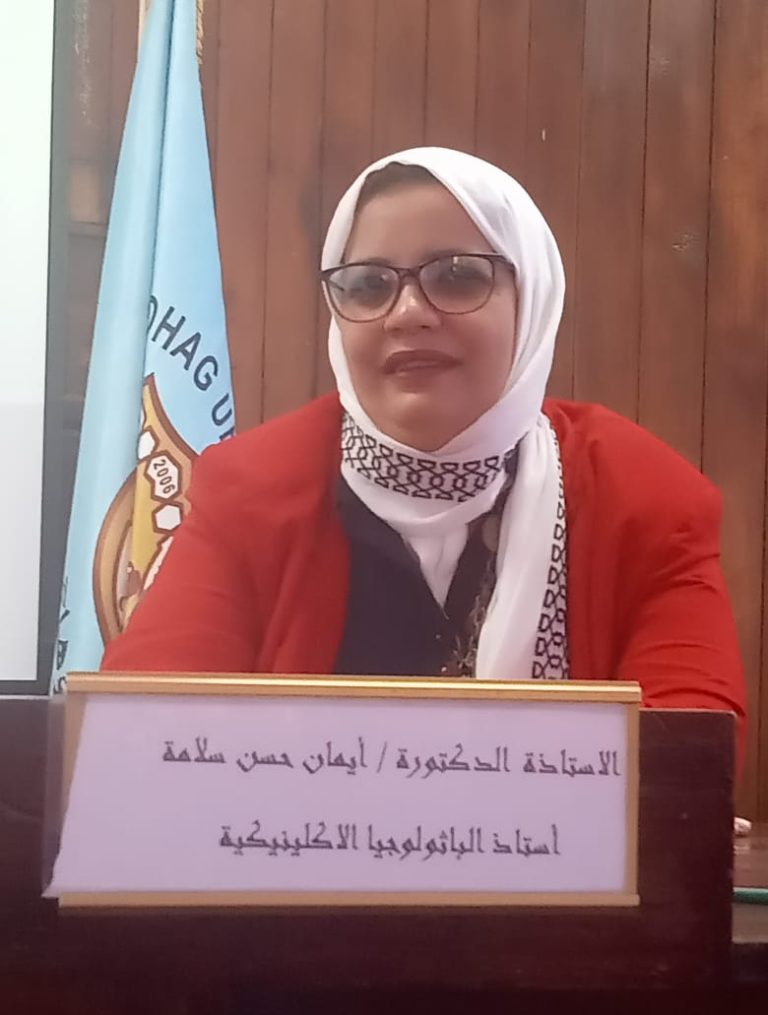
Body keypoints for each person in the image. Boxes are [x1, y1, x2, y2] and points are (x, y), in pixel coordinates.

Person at [102, 146, 746, 752]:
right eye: (367, 285)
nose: (407, 312)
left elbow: (684, 758)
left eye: (458, 276)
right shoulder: (252, 490)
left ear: (532, 299)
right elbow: (142, 735)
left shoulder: (641, 498)